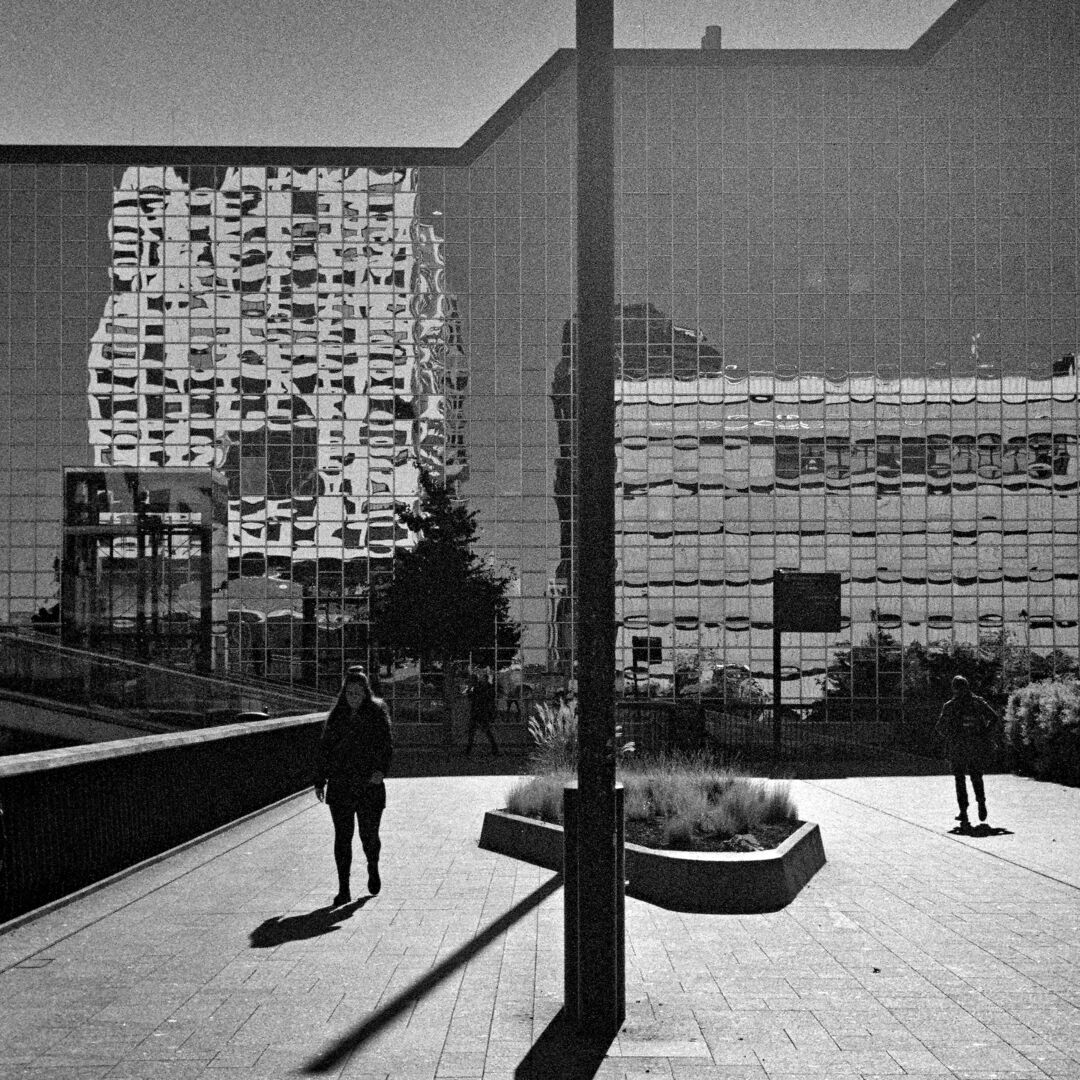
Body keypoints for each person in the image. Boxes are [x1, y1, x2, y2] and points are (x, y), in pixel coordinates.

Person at [313, 667, 393, 906]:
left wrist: (380, 771)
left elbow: (386, 746)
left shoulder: (377, 713)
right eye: (349, 693)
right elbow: (324, 750)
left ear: (366, 693)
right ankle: (344, 888)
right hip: (341, 785)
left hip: (369, 785)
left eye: (358, 693)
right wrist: (320, 780)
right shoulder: (336, 716)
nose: (353, 697)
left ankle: (372, 865)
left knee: (368, 836)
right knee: (342, 838)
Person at [935, 674, 998, 829]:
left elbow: (939, 727)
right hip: (976, 746)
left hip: (958, 747)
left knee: (960, 779)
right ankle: (981, 801)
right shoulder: (978, 702)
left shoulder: (950, 705)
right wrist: (984, 734)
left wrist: (951, 737)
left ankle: (963, 810)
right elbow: (994, 717)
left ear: (954, 688)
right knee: (977, 775)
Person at [466, 670, 499, 756]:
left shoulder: (481, 688)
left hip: (480, 712)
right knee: (479, 730)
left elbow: (473, 697)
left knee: (478, 730)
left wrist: (470, 689)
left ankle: (469, 749)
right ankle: (493, 747)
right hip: (480, 712)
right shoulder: (481, 687)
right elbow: (471, 696)